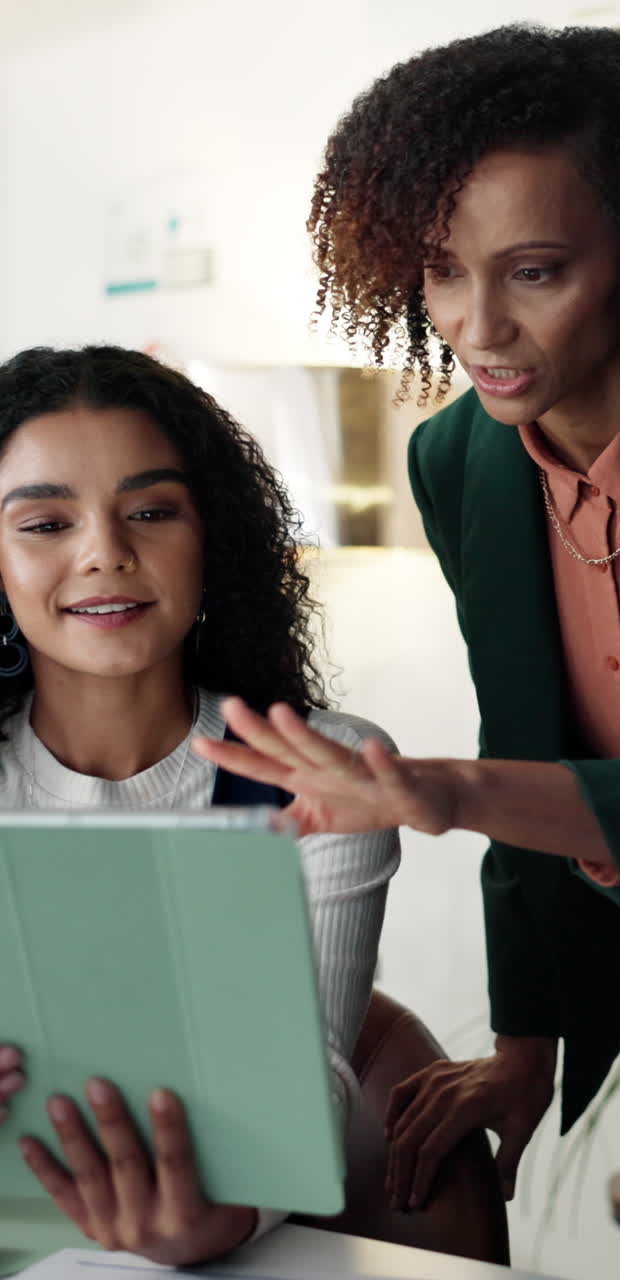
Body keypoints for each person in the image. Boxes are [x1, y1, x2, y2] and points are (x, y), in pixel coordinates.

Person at [192, 25, 620, 1279]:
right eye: (440, 270)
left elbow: (496, 778)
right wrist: (529, 1039)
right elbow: (525, 727)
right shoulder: (460, 459)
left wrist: (457, 794)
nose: (478, 326)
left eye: (535, 271)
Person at [0, 344, 400, 1266]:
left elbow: (315, 1077)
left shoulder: (321, 767)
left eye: (149, 511)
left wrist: (229, 1218)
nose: (105, 551)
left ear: (211, 537)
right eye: (45, 523)